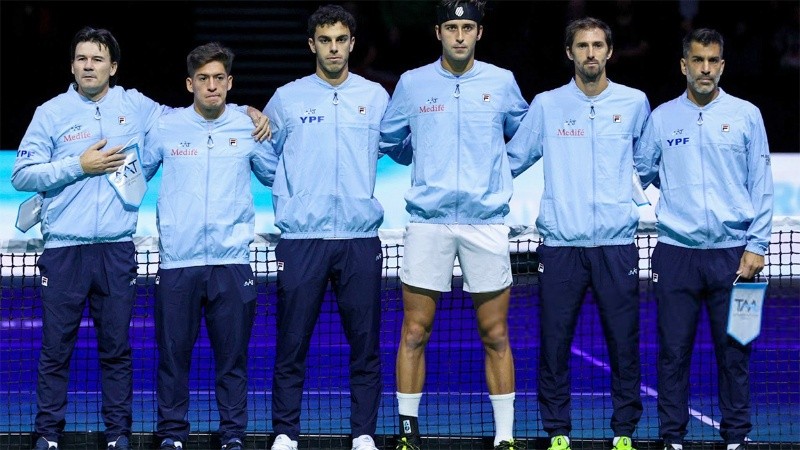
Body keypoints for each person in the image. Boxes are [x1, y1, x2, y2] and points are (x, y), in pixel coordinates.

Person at [10, 26, 268, 450]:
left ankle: (118, 434)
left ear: (113, 67)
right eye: (81, 59)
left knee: (117, 351)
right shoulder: (50, 113)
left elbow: (197, 111)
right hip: (63, 248)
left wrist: (249, 113)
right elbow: (23, 174)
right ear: (72, 66)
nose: (88, 65)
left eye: (97, 59)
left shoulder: (139, 108)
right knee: (55, 351)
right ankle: (48, 434)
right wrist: (78, 165)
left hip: (116, 248)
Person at [379, 1, 529, 449]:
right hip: (429, 222)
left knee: (496, 333)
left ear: (479, 33)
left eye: (467, 27)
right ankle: (408, 433)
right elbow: (391, 139)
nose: (460, 36)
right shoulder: (413, 83)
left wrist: (499, 172)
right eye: (451, 27)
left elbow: (524, 135)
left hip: (486, 223)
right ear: (438, 32)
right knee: (413, 331)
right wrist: (422, 158)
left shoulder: (502, 83)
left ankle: (505, 438)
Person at [506, 17, 650, 450]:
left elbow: (648, 162)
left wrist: (620, 196)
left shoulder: (635, 102)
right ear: (570, 53)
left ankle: (624, 432)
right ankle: (558, 432)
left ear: (610, 51)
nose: (591, 53)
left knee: (624, 344)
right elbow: (513, 159)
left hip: (617, 245)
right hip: (562, 246)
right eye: (582, 46)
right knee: (554, 345)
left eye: (598, 45)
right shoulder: (547, 105)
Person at [634, 28, 774, 450]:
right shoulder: (661, 118)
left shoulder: (748, 115)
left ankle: (737, 436)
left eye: (713, 61)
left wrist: (758, 245)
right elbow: (642, 171)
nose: (706, 69)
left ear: (723, 65)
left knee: (737, 353)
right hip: (676, 255)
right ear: (684, 65)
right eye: (698, 60)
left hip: (736, 257)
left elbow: (761, 184)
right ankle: (671, 438)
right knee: (673, 354)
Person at [262, 5, 390, 450]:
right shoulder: (287, 98)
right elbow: (262, 153)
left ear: (352, 44)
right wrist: (288, 193)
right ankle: (284, 432)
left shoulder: (375, 97)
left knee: (365, 347)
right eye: (325, 40)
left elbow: (398, 144)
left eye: (341, 40)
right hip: (303, 240)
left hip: (359, 239)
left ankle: (363, 434)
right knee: (292, 343)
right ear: (312, 44)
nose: (333, 48)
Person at [139, 42, 277, 450]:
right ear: (189, 84)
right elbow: (135, 176)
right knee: (172, 361)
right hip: (177, 264)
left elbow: (275, 176)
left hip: (231, 263)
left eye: (219, 78)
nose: (212, 86)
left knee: (232, 362)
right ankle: (172, 434)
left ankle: (233, 434)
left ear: (230, 83)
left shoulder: (248, 127)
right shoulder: (166, 127)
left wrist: (266, 123)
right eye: (203, 79)